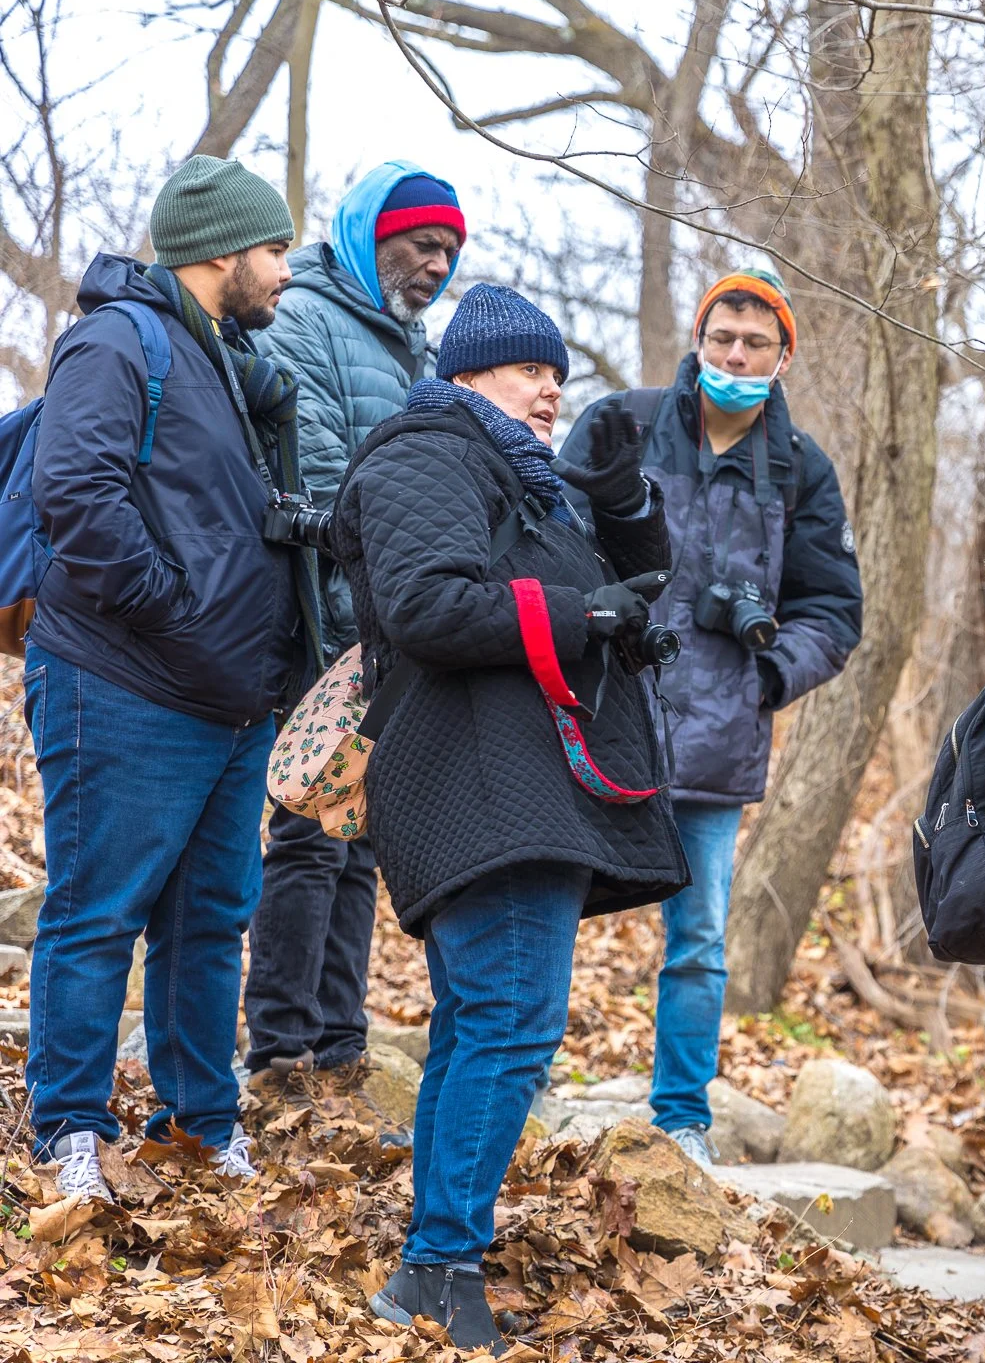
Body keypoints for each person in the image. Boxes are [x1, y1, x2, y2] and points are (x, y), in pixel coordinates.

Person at [333, 285, 687, 1353]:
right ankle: (437, 1268)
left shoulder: (519, 480)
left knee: (486, 1026)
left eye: (559, 375)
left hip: (518, 783)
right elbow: (427, 604)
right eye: (531, 370)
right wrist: (583, 617)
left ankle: (436, 1266)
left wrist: (618, 501)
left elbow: (633, 586)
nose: (550, 390)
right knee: (508, 1025)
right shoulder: (425, 453)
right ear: (468, 374)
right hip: (481, 784)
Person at [26, 156, 322, 1197]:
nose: (287, 271)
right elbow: (79, 492)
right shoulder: (119, 339)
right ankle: (67, 1130)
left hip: (230, 701)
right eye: (277, 249)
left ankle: (201, 1125)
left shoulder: (228, 361)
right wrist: (173, 610)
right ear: (219, 250)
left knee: (207, 924)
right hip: (122, 679)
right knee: (99, 910)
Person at [560, 266, 860, 1168]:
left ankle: (682, 1119)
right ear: (699, 338)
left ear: (782, 355)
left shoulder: (800, 467)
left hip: (718, 733)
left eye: (755, 343)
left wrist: (764, 677)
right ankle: (523, 1077)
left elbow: (834, 611)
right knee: (544, 904)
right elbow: (551, 532)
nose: (735, 355)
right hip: (599, 709)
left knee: (697, 940)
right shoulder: (623, 422)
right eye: (722, 338)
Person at [245, 163, 464, 1104]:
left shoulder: (414, 343)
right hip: (315, 621)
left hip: (381, 633)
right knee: (306, 832)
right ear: (373, 234)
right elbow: (325, 471)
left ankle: (339, 1040)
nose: (436, 265)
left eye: (449, 252)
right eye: (422, 244)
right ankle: (280, 1046)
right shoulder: (308, 318)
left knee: (360, 838)